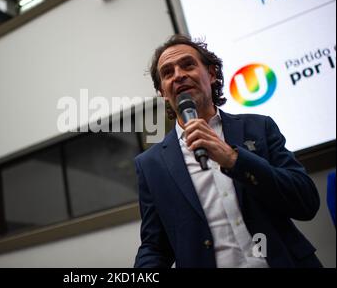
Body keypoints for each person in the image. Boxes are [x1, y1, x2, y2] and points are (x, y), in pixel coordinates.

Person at [134, 35, 322, 268]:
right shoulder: (151, 164)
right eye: (167, 72)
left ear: (211, 74)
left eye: (188, 65)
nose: (178, 75)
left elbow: (306, 202)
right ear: (162, 91)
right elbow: (155, 246)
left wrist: (234, 159)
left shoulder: (258, 127)